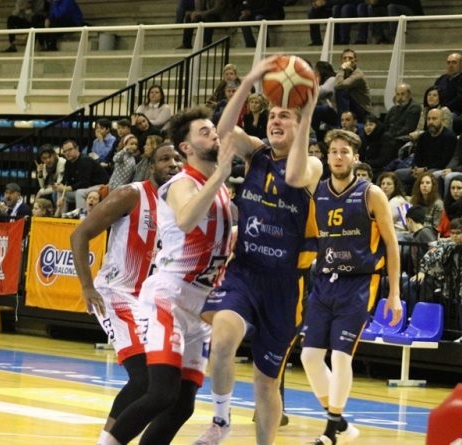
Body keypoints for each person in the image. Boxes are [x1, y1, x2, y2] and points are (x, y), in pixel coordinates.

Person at [197, 55, 322, 445]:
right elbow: (222, 132)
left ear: (300, 124)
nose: (275, 120)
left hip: (286, 286)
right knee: (222, 340)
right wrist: (250, 79)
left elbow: (295, 176)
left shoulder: (313, 166)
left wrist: (308, 111)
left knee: (266, 383)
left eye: (285, 116)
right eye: (272, 115)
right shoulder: (256, 154)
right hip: (245, 272)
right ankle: (220, 420)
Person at [103, 107, 234, 445]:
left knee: (182, 406)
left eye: (213, 129)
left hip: (201, 306)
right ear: (186, 147)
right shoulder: (181, 183)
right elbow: (188, 219)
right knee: (160, 393)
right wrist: (221, 175)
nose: (214, 134)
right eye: (204, 131)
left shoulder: (219, 187)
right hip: (169, 298)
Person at [70, 144, 182, 445]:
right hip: (116, 293)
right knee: (145, 379)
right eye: (165, 159)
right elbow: (79, 234)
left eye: (177, 159)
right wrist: (87, 286)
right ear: (151, 166)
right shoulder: (131, 194)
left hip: (153, 301)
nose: (173, 164)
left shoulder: (183, 205)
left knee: (166, 385)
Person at [300, 129, 402, 445]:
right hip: (324, 281)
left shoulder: (371, 194)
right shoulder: (318, 192)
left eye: (344, 151)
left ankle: (332, 431)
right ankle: (343, 425)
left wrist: (394, 294)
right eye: (333, 151)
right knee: (309, 357)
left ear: (355, 158)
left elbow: (392, 244)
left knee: (341, 357)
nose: (338, 157)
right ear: (326, 156)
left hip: (359, 283)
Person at [396, 108, 456, 192]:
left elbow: (444, 162)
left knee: (430, 175)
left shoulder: (449, 137)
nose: (431, 122)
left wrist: (424, 169)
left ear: (442, 121)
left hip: (437, 169)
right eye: (428, 119)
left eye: (434, 119)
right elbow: (417, 156)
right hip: (421, 169)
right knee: (398, 174)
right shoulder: (423, 136)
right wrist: (415, 168)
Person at [56, 139, 109, 211]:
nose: (67, 153)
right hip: (87, 187)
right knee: (61, 191)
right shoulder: (68, 163)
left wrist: (67, 188)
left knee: (79, 193)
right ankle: (62, 215)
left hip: (101, 185)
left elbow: (85, 183)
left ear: (77, 148)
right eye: (65, 151)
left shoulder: (85, 160)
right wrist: (59, 185)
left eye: (70, 149)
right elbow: (66, 180)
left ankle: (81, 216)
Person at [334, 48, 373, 122]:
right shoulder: (344, 73)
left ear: (355, 60)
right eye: (344, 58)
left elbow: (338, 85)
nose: (347, 60)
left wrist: (341, 69)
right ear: (341, 61)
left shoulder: (358, 75)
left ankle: (342, 123)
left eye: (350, 58)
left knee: (341, 91)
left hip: (363, 110)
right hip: (351, 106)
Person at [434, 52, 462, 117]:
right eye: (448, 63)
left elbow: (460, 100)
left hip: (457, 112)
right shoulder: (441, 79)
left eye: (454, 62)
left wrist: (444, 107)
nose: (450, 65)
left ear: (461, 64)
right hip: (440, 109)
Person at [377, 171, 410, 236]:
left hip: (400, 235)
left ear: (395, 186)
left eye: (389, 184)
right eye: (383, 184)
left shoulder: (397, 200)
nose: (385, 186)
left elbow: (384, 222)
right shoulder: (386, 200)